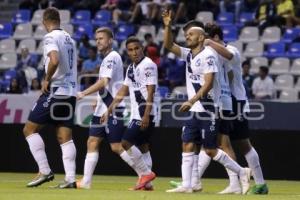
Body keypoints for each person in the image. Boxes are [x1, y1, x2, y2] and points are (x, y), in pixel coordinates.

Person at [162, 11, 251, 194]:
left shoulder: (209, 55)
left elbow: (209, 83)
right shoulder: (188, 54)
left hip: (210, 108)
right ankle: (188, 184)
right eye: (186, 35)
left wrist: (191, 100)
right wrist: (168, 26)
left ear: (202, 37)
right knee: (187, 143)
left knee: (211, 149)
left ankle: (241, 172)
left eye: (191, 34)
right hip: (196, 108)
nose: (187, 37)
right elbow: (169, 45)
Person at [203, 24, 268, 194]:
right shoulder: (211, 53)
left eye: (207, 38)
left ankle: (257, 183)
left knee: (241, 144)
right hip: (225, 101)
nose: (204, 42)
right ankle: (191, 181)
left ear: (215, 37)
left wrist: (208, 42)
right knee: (218, 142)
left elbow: (229, 57)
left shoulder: (232, 49)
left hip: (236, 101)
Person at [76, 27, 140, 189]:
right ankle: (86, 182)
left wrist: (83, 93)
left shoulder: (112, 57)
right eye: (96, 39)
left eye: (101, 38)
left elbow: (104, 82)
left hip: (113, 108)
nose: (98, 41)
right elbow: (107, 85)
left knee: (117, 147)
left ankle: (144, 174)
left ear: (110, 40)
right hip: (102, 108)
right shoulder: (105, 58)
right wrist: (97, 99)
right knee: (92, 141)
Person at [23, 7, 78, 188]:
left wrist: (46, 79)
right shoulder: (69, 38)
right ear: (59, 20)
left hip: (56, 90)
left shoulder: (50, 37)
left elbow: (54, 60)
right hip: (70, 93)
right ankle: (70, 179)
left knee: (29, 129)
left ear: (44, 21)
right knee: (65, 137)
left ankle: (45, 170)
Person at [101, 36, 157, 190]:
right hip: (138, 113)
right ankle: (148, 184)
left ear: (142, 48)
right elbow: (123, 90)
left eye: (137, 48)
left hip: (145, 112)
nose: (134, 52)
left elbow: (151, 91)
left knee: (125, 143)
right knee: (143, 146)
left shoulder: (148, 65)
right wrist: (109, 108)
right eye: (131, 50)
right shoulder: (131, 68)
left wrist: (146, 114)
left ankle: (145, 174)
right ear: (127, 52)